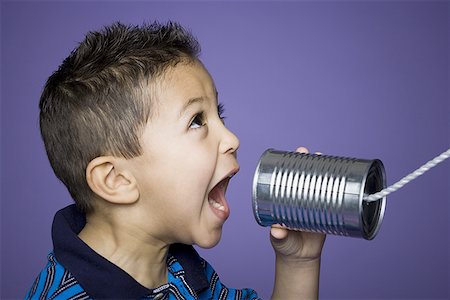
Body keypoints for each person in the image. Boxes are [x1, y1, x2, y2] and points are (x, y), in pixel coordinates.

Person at [26, 21, 326, 299]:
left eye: (218, 114)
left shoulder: (184, 271)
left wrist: (298, 263)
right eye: (196, 120)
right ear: (117, 179)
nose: (232, 139)